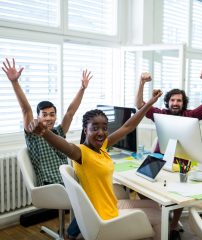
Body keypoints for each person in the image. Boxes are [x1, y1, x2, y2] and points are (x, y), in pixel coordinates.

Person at [28, 87, 163, 240]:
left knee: (155, 207)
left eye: (104, 128)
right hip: (104, 215)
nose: (101, 132)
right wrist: (44, 132)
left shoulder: (103, 146)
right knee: (161, 217)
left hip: (110, 205)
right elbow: (61, 144)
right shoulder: (80, 152)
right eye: (95, 128)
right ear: (85, 130)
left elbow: (128, 126)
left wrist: (150, 102)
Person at [2, 58, 92, 239]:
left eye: (52, 114)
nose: (49, 118)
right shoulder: (33, 133)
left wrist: (82, 88)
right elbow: (25, 108)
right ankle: (73, 233)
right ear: (38, 116)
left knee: (95, 189)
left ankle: (83, 228)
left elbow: (71, 111)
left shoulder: (59, 131)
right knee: (87, 198)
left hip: (66, 178)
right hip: (50, 183)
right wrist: (15, 82)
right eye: (44, 115)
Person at [135, 72, 202, 239]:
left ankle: (174, 225)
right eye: (173, 100)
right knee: (140, 183)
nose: (175, 103)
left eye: (179, 100)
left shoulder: (190, 115)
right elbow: (140, 105)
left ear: (183, 103)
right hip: (158, 156)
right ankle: (160, 213)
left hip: (183, 161)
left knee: (178, 194)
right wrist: (141, 83)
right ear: (168, 102)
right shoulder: (160, 113)